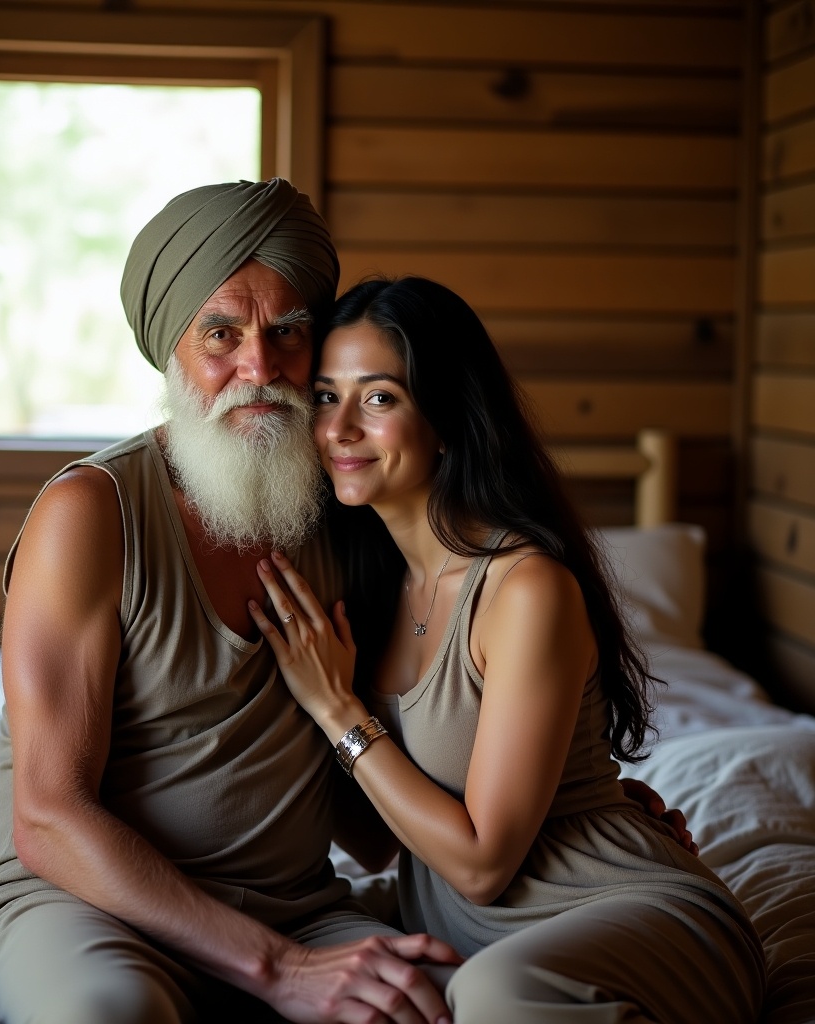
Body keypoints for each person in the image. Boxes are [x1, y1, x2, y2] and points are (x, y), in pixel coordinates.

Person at [0, 179, 695, 1024]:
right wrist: (280, 970)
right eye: (221, 335)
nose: (260, 368)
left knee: (435, 1008)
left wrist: (575, 802)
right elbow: (48, 817)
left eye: (288, 333)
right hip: (90, 903)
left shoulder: (342, 504)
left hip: (297, 906)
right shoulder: (90, 513)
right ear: (171, 348)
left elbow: (384, 811)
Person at [248, 276, 767, 1023]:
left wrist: (335, 710)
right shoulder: (364, 591)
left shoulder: (526, 590)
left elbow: (482, 864)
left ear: (449, 417)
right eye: (326, 396)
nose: (339, 429)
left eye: (380, 398)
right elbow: (371, 842)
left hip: (623, 917)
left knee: (492, 995)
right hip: (482, 941)